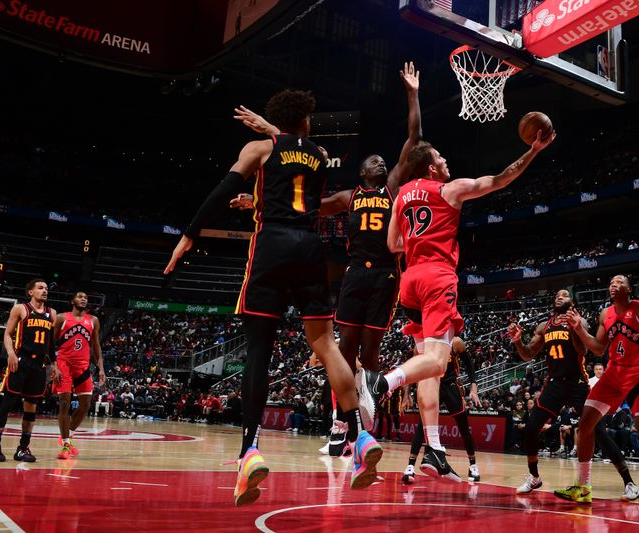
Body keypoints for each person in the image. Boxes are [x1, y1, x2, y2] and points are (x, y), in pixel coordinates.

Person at [165, 89, 380, 507]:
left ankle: (250, 451)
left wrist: (190, 234)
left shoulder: (259, 148)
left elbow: (218, 192)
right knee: (326, 345)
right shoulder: (318, 154)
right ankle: (359, 435)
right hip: (310, 248)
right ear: (304, 121)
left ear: (274, 122)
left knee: (259, 350)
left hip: (272, 245)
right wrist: (260, 196)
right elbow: (304, 195)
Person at [232, 62, 422, 437]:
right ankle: (339, 425)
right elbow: (296, 206)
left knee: (370, 353)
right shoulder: (346, 198)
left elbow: (413, 139)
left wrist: (412, 94)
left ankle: (364, 420)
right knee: (342, 349)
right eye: (373, 160)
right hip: (353, 274)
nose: (380, 161)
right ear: (361, 171)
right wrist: (256, 204)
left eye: (382, 161)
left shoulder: (394, 186)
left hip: (385, 274)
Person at [360, 130, 555, 479]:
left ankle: (433, 449)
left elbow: (393, 244)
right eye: (440, 158)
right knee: (437, 361)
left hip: (410, 283)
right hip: (437, 278)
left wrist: (419, 237)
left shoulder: (402, 194)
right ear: (431, 168)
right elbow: (499, 179)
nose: (446, 161)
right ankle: (381, 384)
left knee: (429, 373)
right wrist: (533, 151)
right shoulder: (449, 189)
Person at [555, 275, 639, 511]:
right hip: (613, 375)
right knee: (585, 424)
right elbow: (599, 347)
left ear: (629, 289)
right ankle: (583, 488)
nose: (613, 284)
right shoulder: (605, 314)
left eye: (619, 282)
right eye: (611, 282)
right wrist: (578, 329)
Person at [508, 289, 639, 501]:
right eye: (557, 294)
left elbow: (583, 351)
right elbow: (527, 353)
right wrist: (517, 341)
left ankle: (629, 482)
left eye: (565, 294)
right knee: (532, 427)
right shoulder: (545, 326)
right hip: (554, 383)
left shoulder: (581, 321)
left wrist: (576, 328)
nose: (560, 295)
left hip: (577, 382)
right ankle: (534, 477)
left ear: (572, 302)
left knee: (598, 432)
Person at [0, 279, 57, 463]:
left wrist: (55, 365)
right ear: (30, 292)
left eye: (46, 288)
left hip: (39, 366)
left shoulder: (52, 314)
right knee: (7, 404)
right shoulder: (21, 309)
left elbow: (51, 344)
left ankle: (23, 448)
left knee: (31, 409)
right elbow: (8, 334)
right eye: (40, 288)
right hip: (21, 361)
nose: (45, 291)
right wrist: (10, 353)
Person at [402, 337, 482, 483]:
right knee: (422, 426)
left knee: (463, 427)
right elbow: (411, 371)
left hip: (450, 386)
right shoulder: (421, 344)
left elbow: (469, 364)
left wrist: (474, 387)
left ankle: (473, 465)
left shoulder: (455, 342)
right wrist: (406, 395)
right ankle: (410, 467)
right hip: (430, 385)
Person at [53, 291, 105, 459]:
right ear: (72, 301)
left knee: (85, 405)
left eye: (86, 297)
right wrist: (54, 366)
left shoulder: (93, 320)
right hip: (64, 364)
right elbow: (51, 343)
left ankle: (67, 436)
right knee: (64, 403)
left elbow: (96, 346)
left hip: (83, 366)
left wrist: (101, 368)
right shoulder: (61, 318)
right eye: (80, 297)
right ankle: (66, 445)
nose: (83, 299)